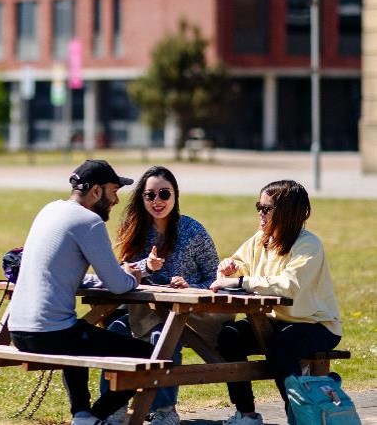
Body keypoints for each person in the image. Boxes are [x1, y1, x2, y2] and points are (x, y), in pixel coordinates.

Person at [8, 159, 154, 425]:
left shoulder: (49, 209)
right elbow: (119, 285)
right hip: (50, 334)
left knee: (78, 332)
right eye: (114, 191)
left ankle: (82, 414)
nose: (116, 200)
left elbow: (62, 271)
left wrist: (105, 279)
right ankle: (94, 417)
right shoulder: (89, 221)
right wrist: (133, 275)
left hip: (17, 331)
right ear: (96, 192)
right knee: (147, 357)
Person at [210, 179, 342, 425]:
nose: (260, 213)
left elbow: (288, 285)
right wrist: (229, 266)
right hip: (273, 321)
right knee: (228, 336)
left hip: (315, 323)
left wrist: (240, 282)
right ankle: (247, 414)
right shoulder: (261, 238)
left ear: (287, 212)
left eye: (266, 208)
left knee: (282, 351)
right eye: (258, 206)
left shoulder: (308, 244)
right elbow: (240, 263)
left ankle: (301, 417)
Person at [101, 165, 219, 425]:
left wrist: (190, 286)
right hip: (139, 311)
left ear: (175, 196)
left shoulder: (193, 231)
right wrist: (145, 266)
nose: (157, 201)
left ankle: (165, 411)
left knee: (161, 337)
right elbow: (121, 273)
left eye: (164, 194)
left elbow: (215, 278)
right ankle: (113, 407)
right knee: (114, 331)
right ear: (141, 198)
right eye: (150, 195)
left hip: (184, 314)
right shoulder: (133, 229)